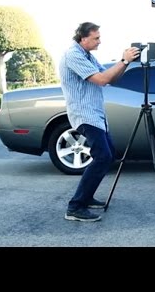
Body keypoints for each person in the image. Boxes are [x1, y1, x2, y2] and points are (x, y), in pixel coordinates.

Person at [59, 22, 140, 222]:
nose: (99, 41)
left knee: (108, 154)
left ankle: (85, 198)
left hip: (95, 115)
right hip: (85, 115)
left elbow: (111, 78)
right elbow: (102, 80)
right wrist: (123, 59)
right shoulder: (74, 55)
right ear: (83, 38)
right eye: (96, 38)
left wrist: (126, 63)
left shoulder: (88, 56)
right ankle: (75, 207)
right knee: (102, 156)